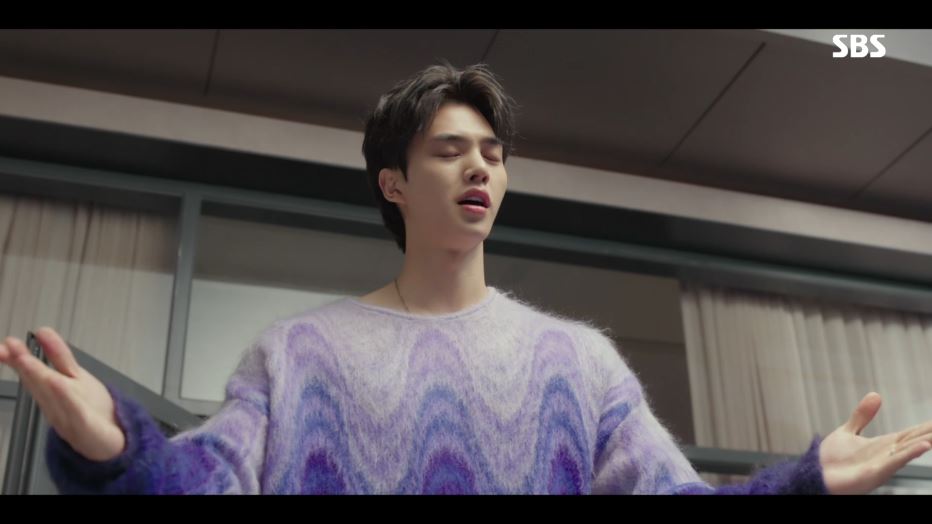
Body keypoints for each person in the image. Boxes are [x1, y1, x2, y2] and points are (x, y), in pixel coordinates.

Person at [1, 62, 931, 494]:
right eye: (450, 150)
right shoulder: (299, 354)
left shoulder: (578, 362)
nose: (480, 166)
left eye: (492, 152)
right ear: (395, 184)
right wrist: (115, 447)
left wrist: (805, 481)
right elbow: (205, 481)